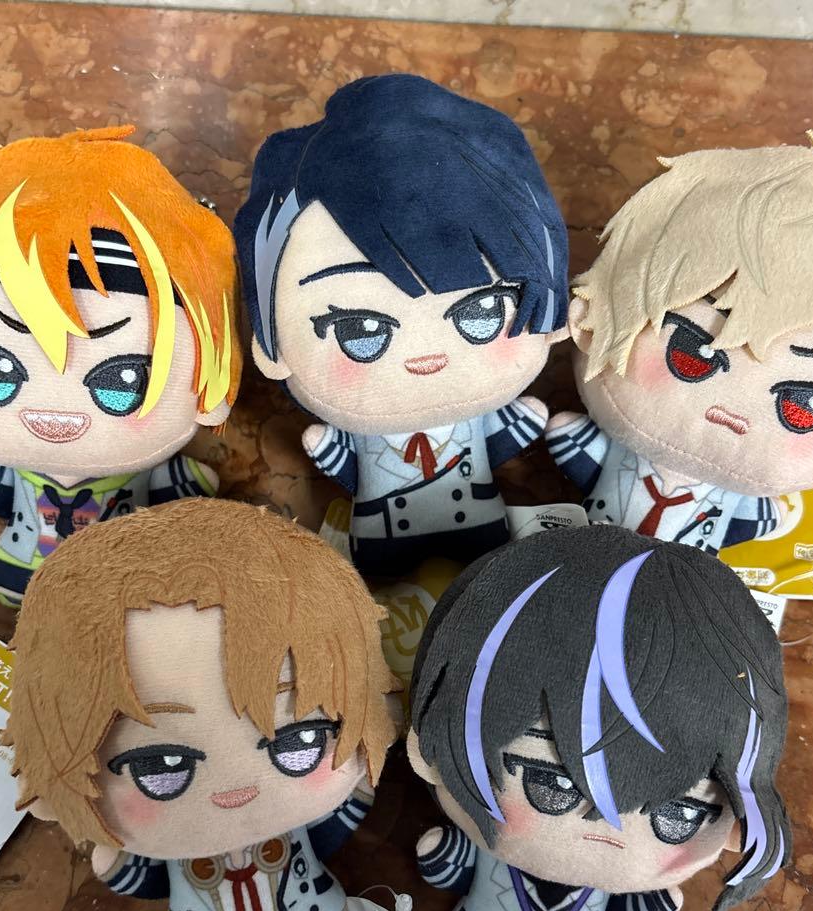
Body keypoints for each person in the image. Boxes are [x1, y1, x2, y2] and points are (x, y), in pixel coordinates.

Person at [4, 498, 400, 911]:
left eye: (299, 742)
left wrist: (364, 777)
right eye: (161, 766)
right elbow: (149, 880)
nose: (235, 787)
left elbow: (330, 832)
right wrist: (120, 866)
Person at [408, 526, 790, 911]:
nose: (607, 831)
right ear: (431, 752)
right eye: (551, 784)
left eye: (676, 815)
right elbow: (456, 866)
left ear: (738, 827)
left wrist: (648, 906)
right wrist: (446, 857)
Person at [234, 74, 569, 576]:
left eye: (480, 312)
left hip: (481, 536)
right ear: (271, 348)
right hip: (382, 535)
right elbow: (345, 463)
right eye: (361, 330)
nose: (425, 357)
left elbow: (504, 437)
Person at [0, 126, 240, 604]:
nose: (55, 410)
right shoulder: (18, 466)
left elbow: (180, 489)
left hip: (126, 581)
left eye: (122, 381)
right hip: (23, 572)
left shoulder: (139, 471)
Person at [546, 135, 813, 554]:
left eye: (803, 406)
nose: (729, 415)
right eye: (691, 355)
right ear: (589, 321)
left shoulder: (743, 506)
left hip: (687, 583)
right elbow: (569, 440)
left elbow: (763, 519)